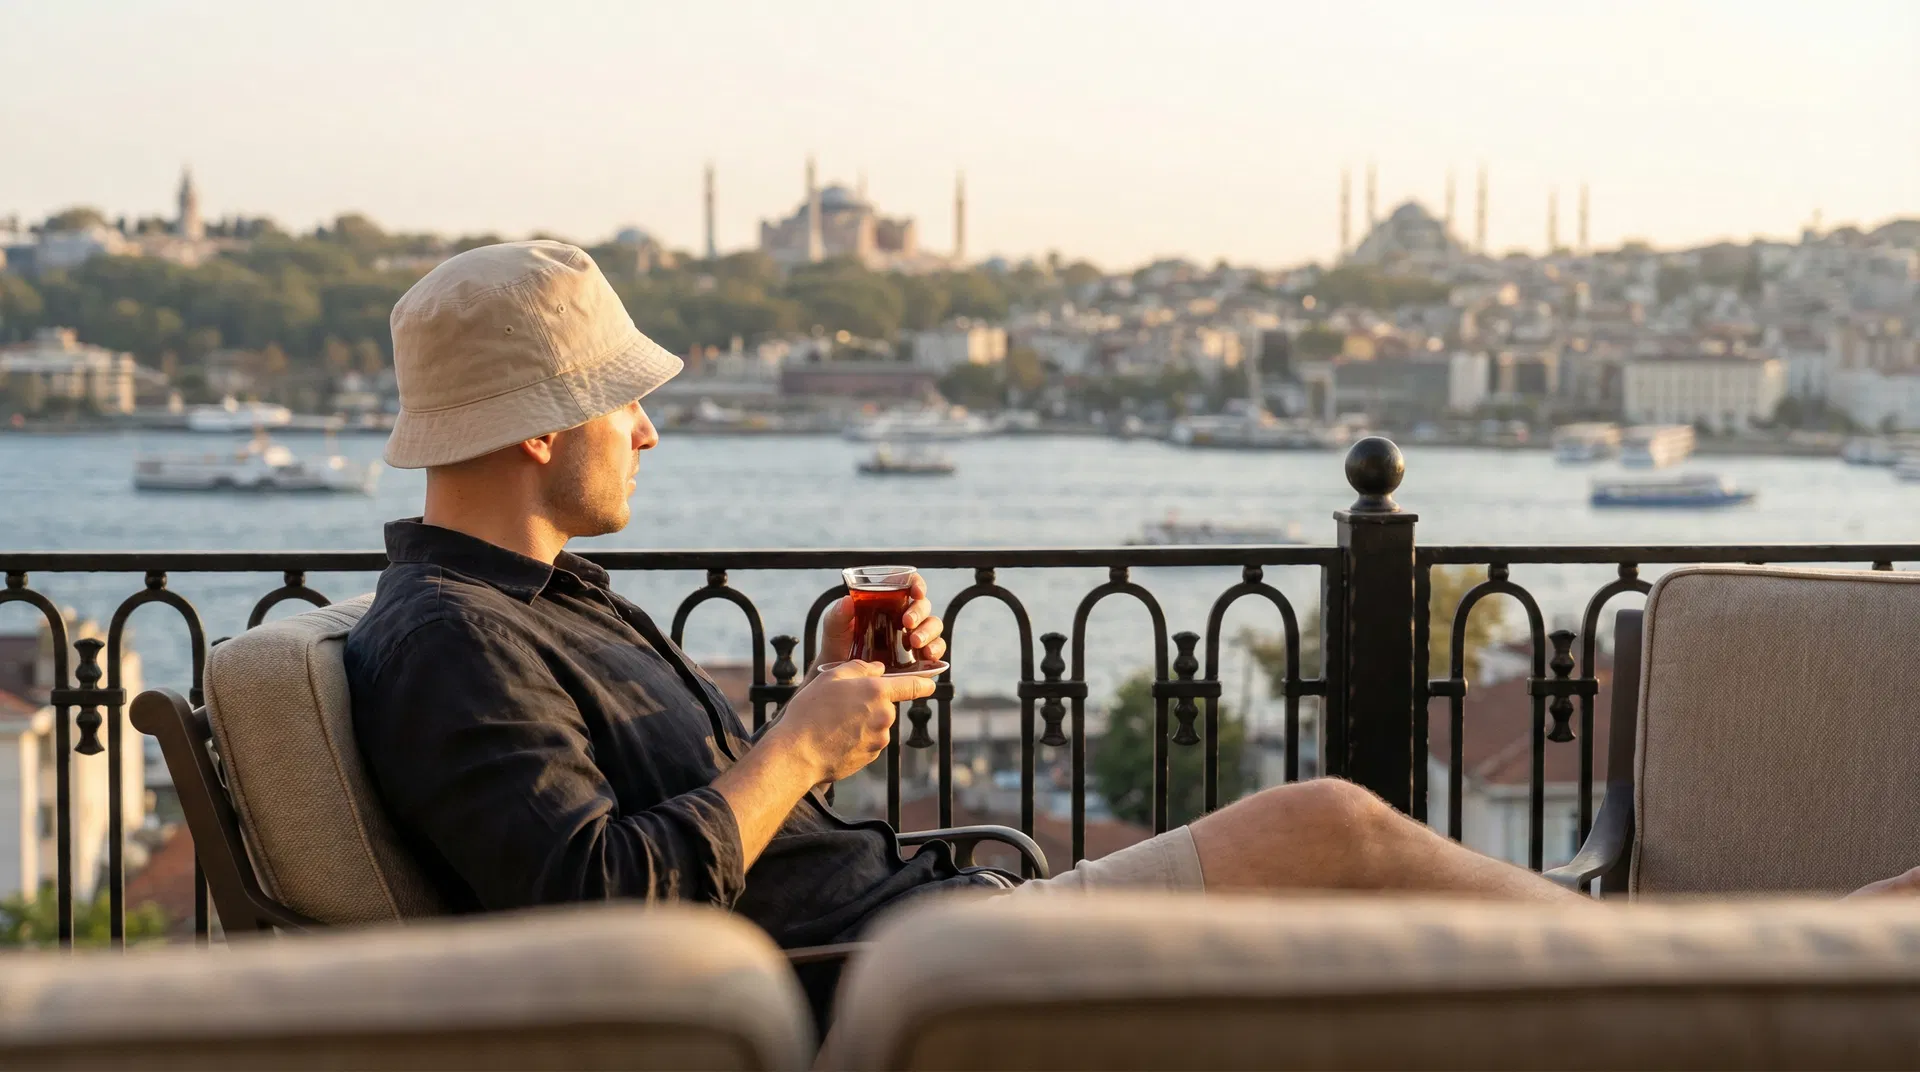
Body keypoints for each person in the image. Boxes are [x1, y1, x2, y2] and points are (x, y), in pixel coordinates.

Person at [345, 242, 1916, 1013]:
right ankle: (1755, 976)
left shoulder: (529, 606)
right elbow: (609, 909)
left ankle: (1732, 971)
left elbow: (679, 834)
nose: (652, 432)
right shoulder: (451, 642)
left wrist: (827, 706)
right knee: (1327, 831)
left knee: (1331, 872)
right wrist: (790, 752)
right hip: (871, 976)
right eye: (626, 401)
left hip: (905, 926)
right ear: (543, 427)